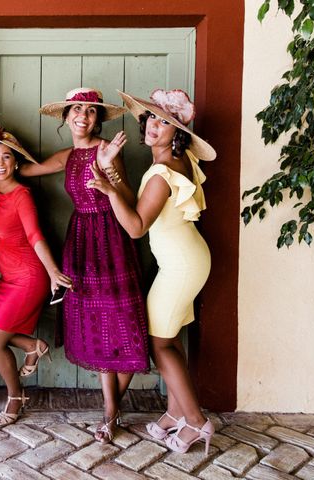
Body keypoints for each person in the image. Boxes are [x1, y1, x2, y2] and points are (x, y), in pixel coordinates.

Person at [86, 88, 217, 455]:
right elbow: (138, 201)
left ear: (178, 134)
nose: (154, 126)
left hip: (181, 265)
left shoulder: (162, 172)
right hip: (185, 260)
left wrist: (108, 193)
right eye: (152, 118)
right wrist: (113, 174)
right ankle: (175, 413)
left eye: (164, 122)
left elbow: (136, 226)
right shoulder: (167, 166)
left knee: (159, 344)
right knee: (170, 339)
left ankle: (195, 421)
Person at [20, 88, 149, 443]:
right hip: (80, 243)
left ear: (98, 119)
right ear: (65, 117)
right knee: (96, 323)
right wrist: (1, 148)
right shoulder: (66, 155)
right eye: (76, 109)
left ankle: (111, 411)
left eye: (91, 111)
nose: (83, 116)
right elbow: (26, 169)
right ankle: (111, 413)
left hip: (112, 241)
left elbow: (129, 202)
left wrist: (109, 175)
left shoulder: (108, 151)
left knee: (121, 322)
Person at [0, 118, 72, 426]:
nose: (0, 162)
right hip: (10, 280)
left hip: (30, 279)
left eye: (7, 156)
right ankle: (31, 345)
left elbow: (36, 236)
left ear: (16, 162)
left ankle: (15, 396)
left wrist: (52, 272)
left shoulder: (22, 196)